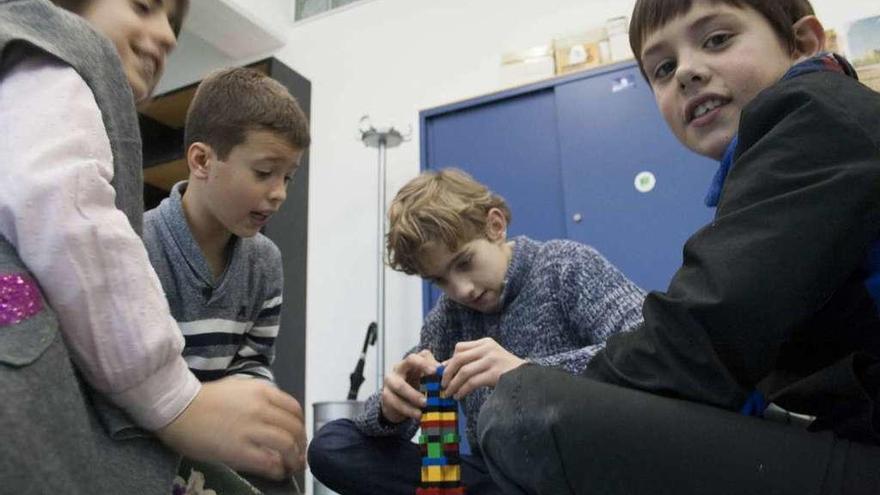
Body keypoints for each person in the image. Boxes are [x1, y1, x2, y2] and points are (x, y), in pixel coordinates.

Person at [477, 1, 880, 494]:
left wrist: (553, 384)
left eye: (716, 40)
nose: (687, 72)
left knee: (526, 408)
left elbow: (700, 335)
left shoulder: (816, 113)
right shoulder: (796, 142)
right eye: (663, 69)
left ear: (804, 44)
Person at [0, 0, 304, 491]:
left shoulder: (265, 261)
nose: (165, 35)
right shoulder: (57, 55)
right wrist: (179, 400)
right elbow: (69, 219)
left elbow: (253, 359)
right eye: (144, 6)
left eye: (174, 23)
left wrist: (248, 408)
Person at [308, 168, 645, 494]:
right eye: (440, 280)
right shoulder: (448, 318)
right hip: (502, 482)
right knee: (332, 445)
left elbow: (652, 351)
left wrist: (527, 374)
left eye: (464, 262)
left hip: (588, 471)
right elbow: (382, 433)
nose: (462, 290)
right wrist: (390, 409)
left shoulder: (567, 266)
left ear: (495, 225)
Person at [143, 66, 310, 489]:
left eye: (287, 177)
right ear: (202, 160)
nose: (279, 193)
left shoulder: (266, 262)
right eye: (263, 172)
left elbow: (253, 360)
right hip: (152, 430)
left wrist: (263, 417)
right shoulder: (137, 245)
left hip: (220, 440)